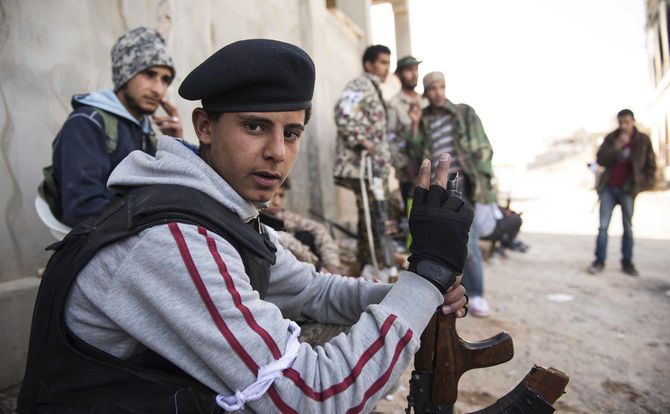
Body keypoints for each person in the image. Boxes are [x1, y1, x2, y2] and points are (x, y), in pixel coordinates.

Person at [19, 39, 471, 413]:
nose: (278, 151)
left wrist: (418, 289)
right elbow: (313, 398)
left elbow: (313, 292)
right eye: (255, 127)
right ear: (205, 127)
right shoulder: (173, 241)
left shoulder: (222, 213)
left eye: (291, 133)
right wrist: (427, 275)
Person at [43, 26, 182, 226]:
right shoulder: (86, 123)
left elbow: (172, 193)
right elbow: (84, 208)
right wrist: (154, 221)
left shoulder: (146, 131)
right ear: (125, 74)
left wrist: (175, 145)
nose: (158, 89)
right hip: (100, 244)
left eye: (165, 79)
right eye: (149, 74)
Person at [407, 71, 496, 317]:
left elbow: (483, 147)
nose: (438, 92)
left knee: (470, 242)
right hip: (437, 188)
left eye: (441, 87)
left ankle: (476, 294)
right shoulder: (422, 119)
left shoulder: (463, 113)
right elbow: (413, 157)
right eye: (433, 88)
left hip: (462, 184)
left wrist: (484, 182)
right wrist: (414, 124)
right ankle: (447, 295)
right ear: (427, 92)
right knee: (440, 243)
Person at [333, 44, 393, 269]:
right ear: (369, 64)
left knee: (375, 216)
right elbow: (342, 112)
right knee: (373, 216)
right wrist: (362, 140)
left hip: (375, 169)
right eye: (383, 62)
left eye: (389, 62)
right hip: (364, 166)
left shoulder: (373, 89)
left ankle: (371, 263)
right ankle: (374, 265)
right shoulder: (360, 85)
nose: (387, 68)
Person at [587, 109, 657, 276]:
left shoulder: (642, 140)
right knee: (603, 227)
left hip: (628, 190)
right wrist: (617, 146)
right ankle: (599, 261)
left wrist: (641, 185)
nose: (624, 126)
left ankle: (627, 262)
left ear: (633, 121)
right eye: (621, 122)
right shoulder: (612, 138)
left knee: (627, 227)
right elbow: (601, 159)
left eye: (626, 122)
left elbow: (650, 165)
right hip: (609, 188)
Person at [264, 178, 344, 274]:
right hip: (287, 271)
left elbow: (318, 229)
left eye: (281, 196)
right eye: (273, 195)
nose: (277, 202)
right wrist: (318, 265)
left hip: (314, 267)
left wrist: (332, 264)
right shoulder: (256, 221)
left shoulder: (284, 216)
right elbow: (285, 240)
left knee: (307, 235)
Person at [387, 56, 425, 206]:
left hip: (431, 166)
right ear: (399, 74)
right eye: (409, 70)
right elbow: (390, 139)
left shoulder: (426, 100)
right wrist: (403, 165)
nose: (414, 74)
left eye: (416, 69)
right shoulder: (393, 104)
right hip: (409, 174)